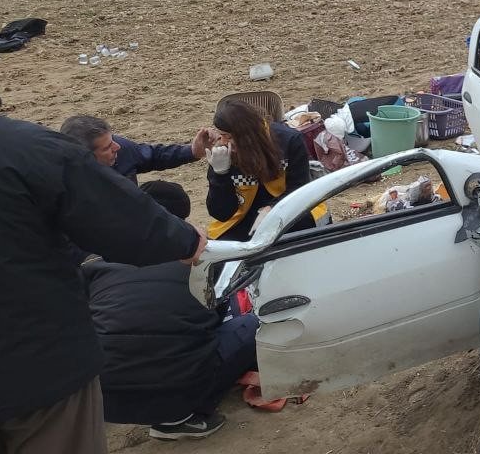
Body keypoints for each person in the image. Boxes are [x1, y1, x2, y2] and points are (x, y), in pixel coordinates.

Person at [0, 22, 208, 454]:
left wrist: (191, 152)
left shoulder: (104, 150)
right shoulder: (27, 150)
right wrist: (186, 242)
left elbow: (152, 157)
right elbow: (127, 223)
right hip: (36, 368)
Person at [83, 181, 259, 440]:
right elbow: (218, 317)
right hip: (178, 390)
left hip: (101, 399)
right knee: (251, 324)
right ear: (182, 217)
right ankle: (179, 419)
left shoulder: (98, 258)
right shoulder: (202, 258)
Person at [206, 98, 324, 241]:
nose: (224, 142)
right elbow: (221, 214)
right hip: (243, 216)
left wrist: (272, 209)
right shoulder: (223, 152)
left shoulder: (288, 141)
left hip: (287, 206)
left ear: (248, 135)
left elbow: (299, 189)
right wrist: (220, 174)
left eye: (229, 137)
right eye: (221, 135)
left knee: (301, 234)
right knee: (225, 249)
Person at [60, 114, 214, 184]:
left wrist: (192, 152)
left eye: (112, 139)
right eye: (107, 147)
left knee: (168, 195)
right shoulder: (63, 182)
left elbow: (152, 156)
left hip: (129, 210)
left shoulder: (119, 148)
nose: (117, 147)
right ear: (85, 156)